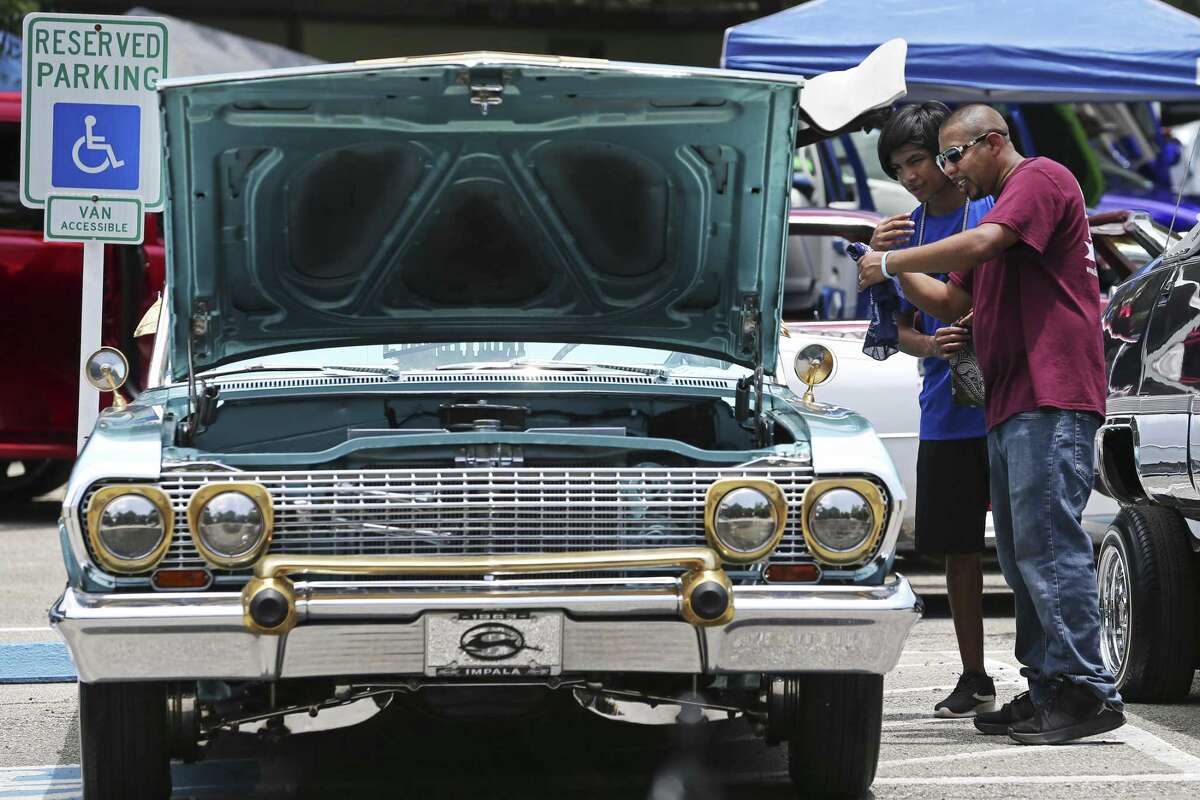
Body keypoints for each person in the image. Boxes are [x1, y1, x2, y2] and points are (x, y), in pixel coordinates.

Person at [856, 103, 1125, 745]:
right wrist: (885, 265)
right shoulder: (1000, 210)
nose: (947, 170)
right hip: (1012, 398)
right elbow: (954, 299)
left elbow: (980, 244)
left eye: (953, 155)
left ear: (993, 141)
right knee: (1019, 551)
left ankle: (1086, 689)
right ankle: (1046, 688)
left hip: (1051, 394)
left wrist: (893, 264)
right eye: (938, 158)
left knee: (1048, 547)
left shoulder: (1038, 179)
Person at [870, 102, 996, 719]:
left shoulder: (991, 213)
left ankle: (1046, 673)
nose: (912, 177)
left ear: (950, 152)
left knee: (1028, 546)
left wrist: (888, 266)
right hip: (945, 408)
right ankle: (975, 675)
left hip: (1005, 404)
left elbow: (961, 301)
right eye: (898, 168)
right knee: (957, 550)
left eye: (917, 160)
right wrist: (932, 344)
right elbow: (894, 333)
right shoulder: (901, 232)